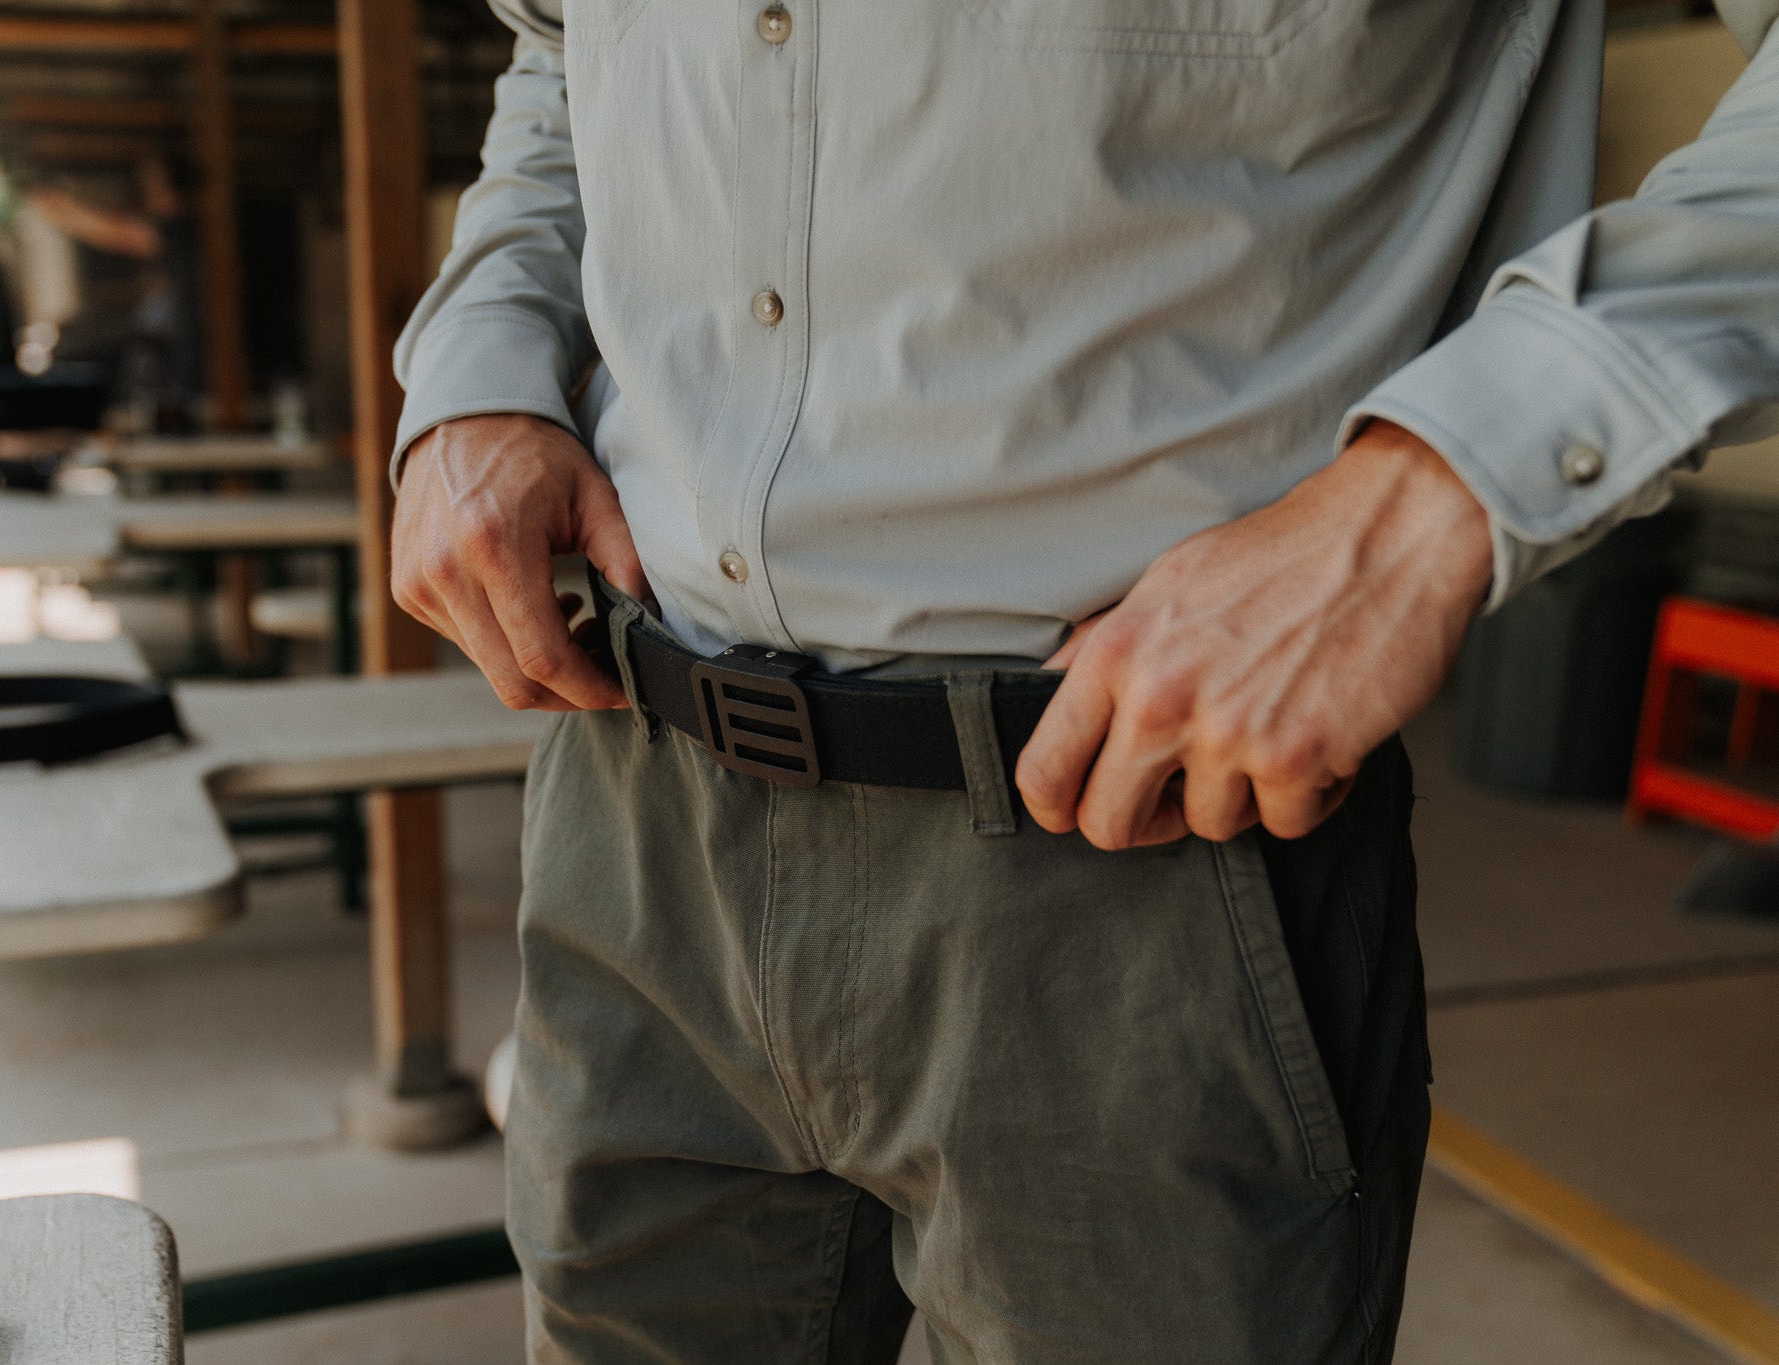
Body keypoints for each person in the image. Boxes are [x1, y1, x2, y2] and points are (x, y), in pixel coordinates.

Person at [388, 0, 1779, 1358]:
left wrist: (1437, 490)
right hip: (635, 821)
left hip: (1138, 857)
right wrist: (480, 357)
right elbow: (566, 50)